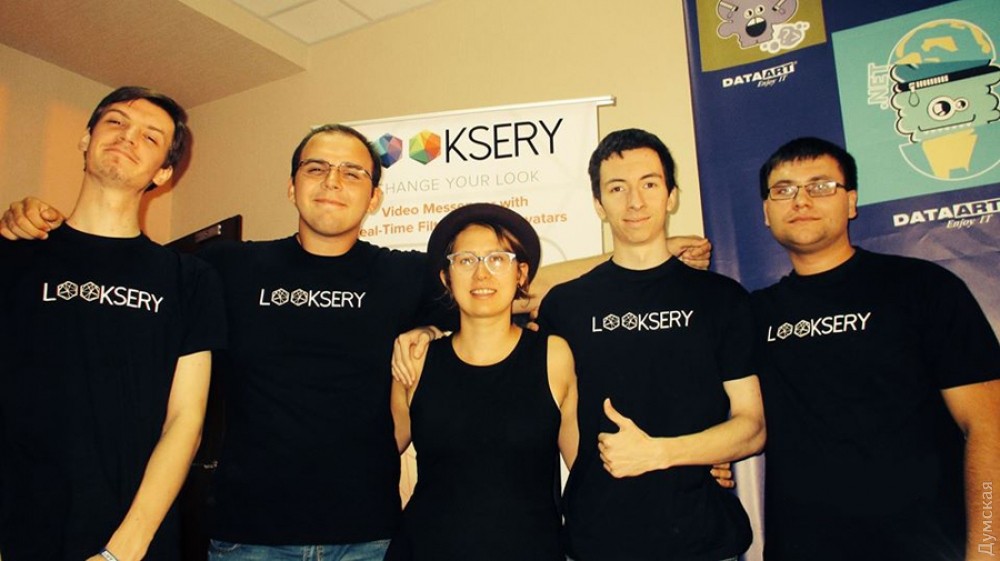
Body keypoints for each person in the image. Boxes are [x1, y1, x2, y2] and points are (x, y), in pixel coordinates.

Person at [2, 122, 714, 561]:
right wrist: (37, 222)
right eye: (316, 168)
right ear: (291, 187)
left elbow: (507, 286)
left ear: (374, 196)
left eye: (352, 173)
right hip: (248, 537)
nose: (333, 183)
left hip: (368, 537)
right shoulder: (224, 267)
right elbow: (132, 271)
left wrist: (640, 253)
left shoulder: (403, 276)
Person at [0, 87, 227, 561]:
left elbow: (186, 419)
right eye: (116, 122)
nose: (128, 136)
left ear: (163, 172)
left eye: (150, 136)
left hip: (132, 543)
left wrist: (125, 548)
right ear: (86, 140)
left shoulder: (189, 278)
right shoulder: (15, 253)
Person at [753, 136, 1000, 561]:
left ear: (851, 202)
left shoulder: (923, 288)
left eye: (820, 186)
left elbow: (989, 424)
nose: (801, 200)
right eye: (784, 190)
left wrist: (988, 546)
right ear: (766, 212)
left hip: (925, 548)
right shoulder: (751, 315)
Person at [535, 129, 765, 561]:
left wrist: (661, 453)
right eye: (617, 189)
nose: (635, 202)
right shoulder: (565, 306)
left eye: (649, 184)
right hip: (598, 541)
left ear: (671, 196)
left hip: (702, 540)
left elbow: (752, 426)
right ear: (598, 204)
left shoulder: (721, 299)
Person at [385, 203, 577, 560]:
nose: (481, 274)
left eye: (497, 259)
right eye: (466, 260)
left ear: (521, 275)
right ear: (447, 277)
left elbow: (585, 471)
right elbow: (373, 453)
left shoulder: (553, 356)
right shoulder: (418, 359)